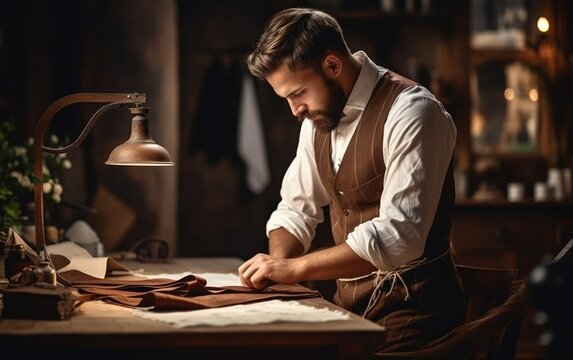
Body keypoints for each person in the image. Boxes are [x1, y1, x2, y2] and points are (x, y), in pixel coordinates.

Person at [238, 7, 465, 352]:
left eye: (298, 93)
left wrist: (294, 269)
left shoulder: (414, 111)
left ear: (332, 65)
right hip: (348, 310)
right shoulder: (317, 121)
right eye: (286, 98)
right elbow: (295, 210)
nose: (294, 110)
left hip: (416, 318)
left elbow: (398, 237)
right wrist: (277, 273)